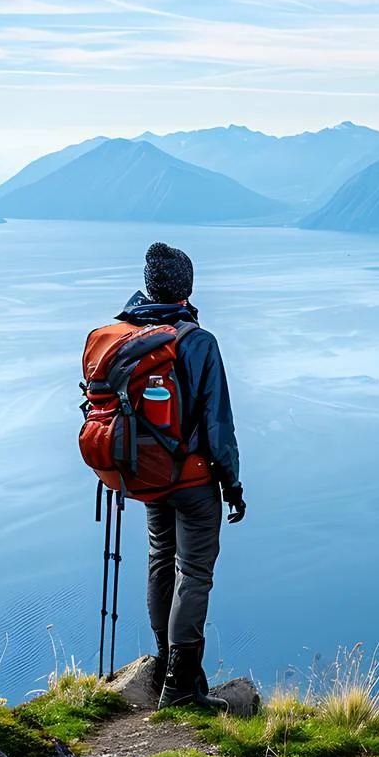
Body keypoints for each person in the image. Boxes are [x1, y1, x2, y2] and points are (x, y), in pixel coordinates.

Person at [116, 242, 247, 710]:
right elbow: (217, 426)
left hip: (147, 476)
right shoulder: (196, 341)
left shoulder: (126, 335)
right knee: (193, 573)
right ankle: (180, 687)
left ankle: (167, 661)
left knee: (159, 560)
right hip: (192, 481)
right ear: (187, 287)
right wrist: (232, 486)